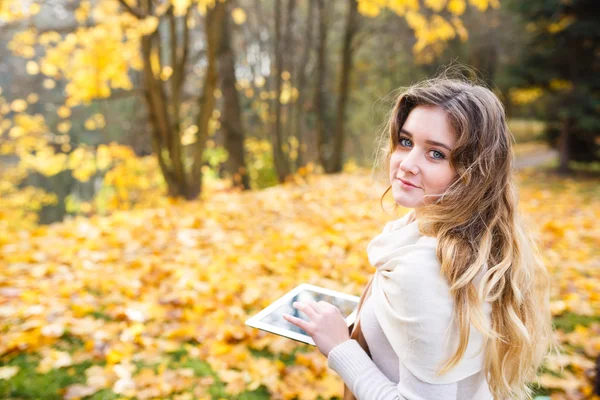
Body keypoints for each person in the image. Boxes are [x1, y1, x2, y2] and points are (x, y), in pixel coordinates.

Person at [283, 74, 559, 400]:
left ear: (473, 173)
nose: (407, 164)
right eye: (406, 142)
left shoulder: (425, 269)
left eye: (436, 154)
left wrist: (341, 348)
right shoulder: (471, 240)